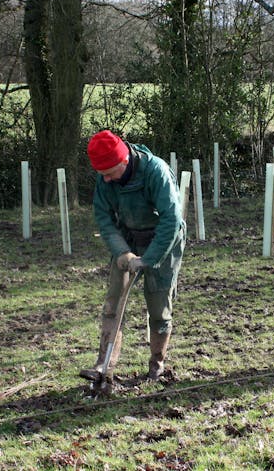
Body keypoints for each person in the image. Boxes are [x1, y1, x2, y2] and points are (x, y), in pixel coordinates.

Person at [80, 129, 185, 394]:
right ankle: (105, 366)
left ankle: (157, 364)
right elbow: (103, 218)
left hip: (163, 239)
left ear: (124, 161)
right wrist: (121, 252)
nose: (105, 179)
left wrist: (149, 259)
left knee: (159, 303)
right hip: (127, 239)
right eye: (101, 174)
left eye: (110, 172)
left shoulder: (155, 171)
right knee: (113, 303)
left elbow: (171, 220)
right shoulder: (105, 179)